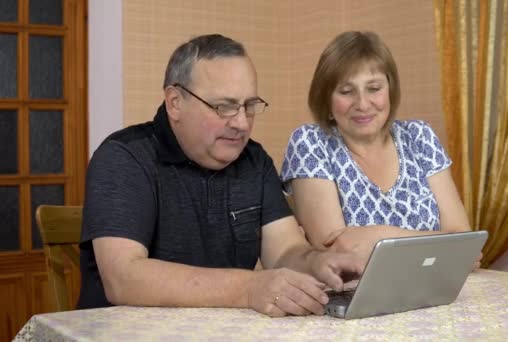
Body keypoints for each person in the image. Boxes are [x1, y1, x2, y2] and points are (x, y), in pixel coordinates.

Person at [78, 34, 363, 317]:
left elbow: (285, 251)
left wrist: (318, 262)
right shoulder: (125, 157)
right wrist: (249, 288)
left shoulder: (253, 160)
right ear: (175, 102)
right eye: (223, 106)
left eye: (249, 106)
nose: (241, 123)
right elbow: (123, 278)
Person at [280, 31, 472, 262]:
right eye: (346, 91)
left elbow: (464, 243)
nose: (362, 104)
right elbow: (337, 253)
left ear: (390, 90)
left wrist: (377, 236)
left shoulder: (419, 136)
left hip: (435, 288)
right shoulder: (310, 143)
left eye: (373, 88)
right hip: (352, 295)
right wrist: (440, 245)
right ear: (326, 100)